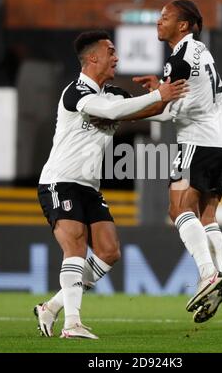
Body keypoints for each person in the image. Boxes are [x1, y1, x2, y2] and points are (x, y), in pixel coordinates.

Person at [34, 30, 187, 339]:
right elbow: (112, 112)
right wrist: (158, 96)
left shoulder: (115, 93)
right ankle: (72, 324)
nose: (117, 57)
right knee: (75, 246)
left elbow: (159, 114)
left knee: (109, 251)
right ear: (93, 58)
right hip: (59, 181)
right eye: (111, 52)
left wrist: (161, 95)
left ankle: (50, 307)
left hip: (89, 187)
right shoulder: (75, 92)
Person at [133, 0, 222, 323]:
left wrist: (124, 113)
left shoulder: (179, 57)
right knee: (207, 215)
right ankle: (216, 277)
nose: (159, 21)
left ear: (184, 25)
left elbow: (164, 107)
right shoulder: (202, 53)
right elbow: (177, 95)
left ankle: (208, 275)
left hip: (197, 143)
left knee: (177, 209)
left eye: (165, 17)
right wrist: (160, 91)